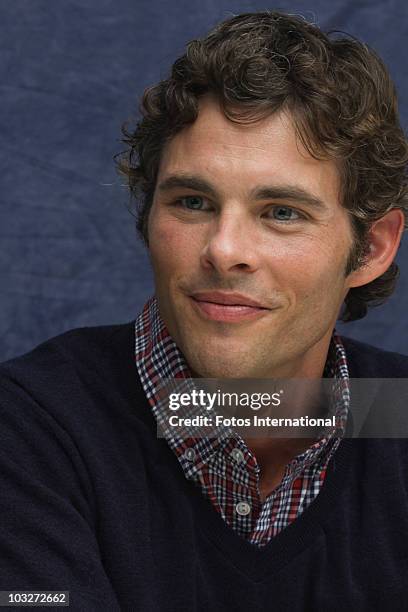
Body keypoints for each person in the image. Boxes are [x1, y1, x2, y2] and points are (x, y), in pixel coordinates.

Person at [0, 10, 407, 611]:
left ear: (370, 249)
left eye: (281, 212)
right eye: (192, 202)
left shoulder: (397, 414)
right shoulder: (35, 427)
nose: (224, 250)